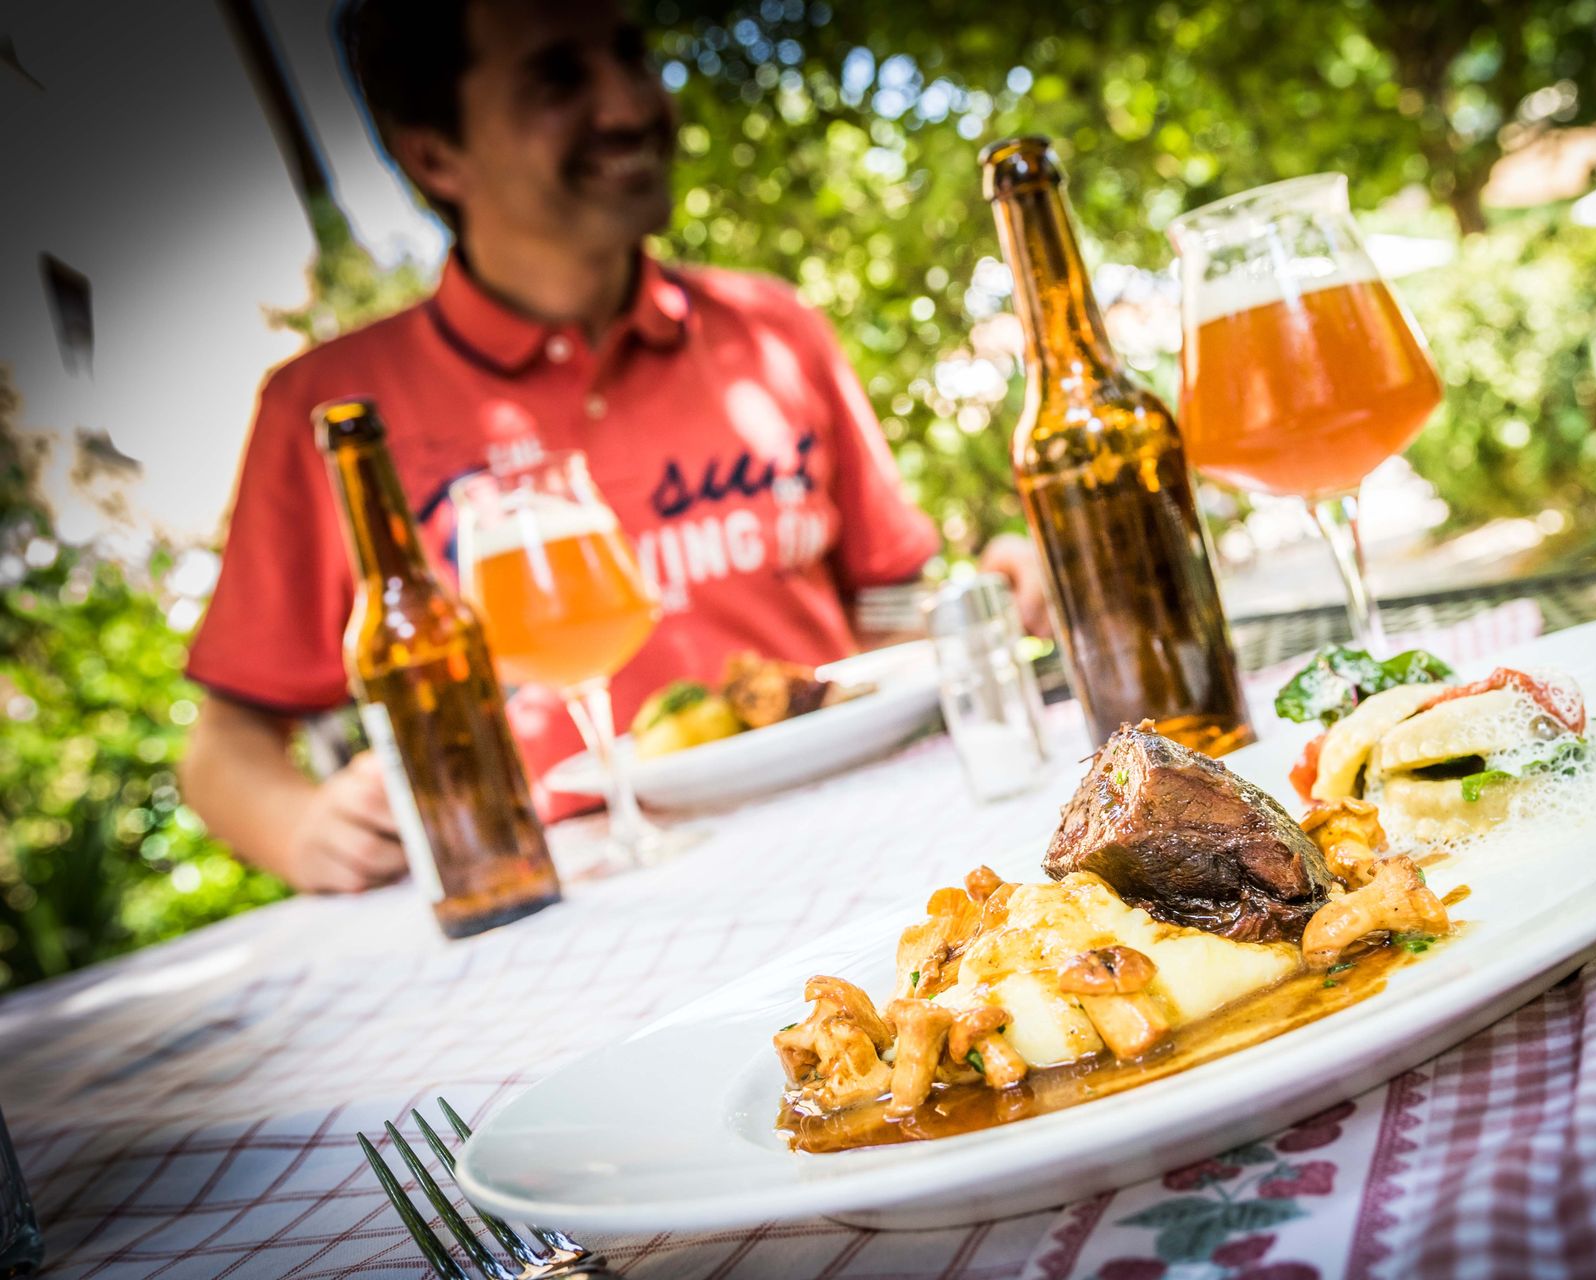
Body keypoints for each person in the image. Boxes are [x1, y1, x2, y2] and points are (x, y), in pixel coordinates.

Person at [180, 0, 1046, 893]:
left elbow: (883, 611)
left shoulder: (772, 329)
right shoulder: (330, 412)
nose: (631, 106)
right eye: (557, 77)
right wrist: (299, 827)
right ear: (435, 152)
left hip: (870, 839)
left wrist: (982, 600)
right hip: (569, 899)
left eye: (631, 55)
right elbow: (223, 751)